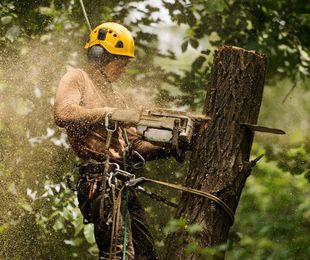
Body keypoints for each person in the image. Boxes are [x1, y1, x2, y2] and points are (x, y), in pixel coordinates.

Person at [54, 22, 171, 259]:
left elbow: (134, 145)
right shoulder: (77, 78)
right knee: (119, 254)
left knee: (146, 254)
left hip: (121, 181)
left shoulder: (115, 95)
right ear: (101, 55)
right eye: (121, 62)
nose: (124, 69)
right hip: (100, 179)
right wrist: (109, 113)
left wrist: (167, 145)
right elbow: (63, 113)